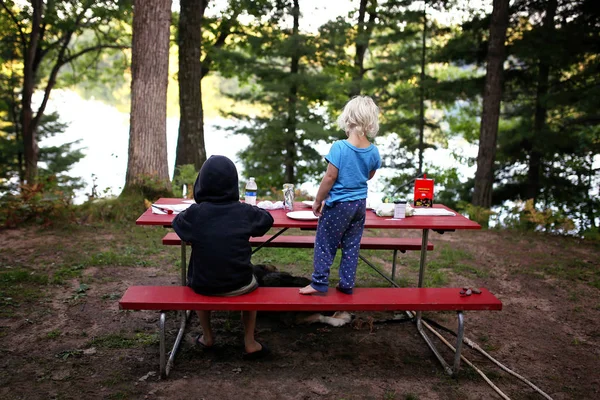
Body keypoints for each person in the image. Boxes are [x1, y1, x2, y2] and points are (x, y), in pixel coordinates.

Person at [172, 155, 274, 359]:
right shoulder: (244, 212)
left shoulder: (195, 214)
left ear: (202, 184)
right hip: (240, 284)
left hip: (203, 285)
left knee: (199, 275)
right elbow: (267, 219)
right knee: (251, 277)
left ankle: (208, 337)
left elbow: (178, 223)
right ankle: (250, 342)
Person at [300, 96, 382, 295]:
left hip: (338, 205)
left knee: (325, 242)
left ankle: (319, 282)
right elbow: (369, 175)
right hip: (359, 205)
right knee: (351, 245)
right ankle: (346, 284)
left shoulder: (339, 147)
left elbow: (330, 177)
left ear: (348, 119)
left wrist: (318, 200)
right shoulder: (373, 151)